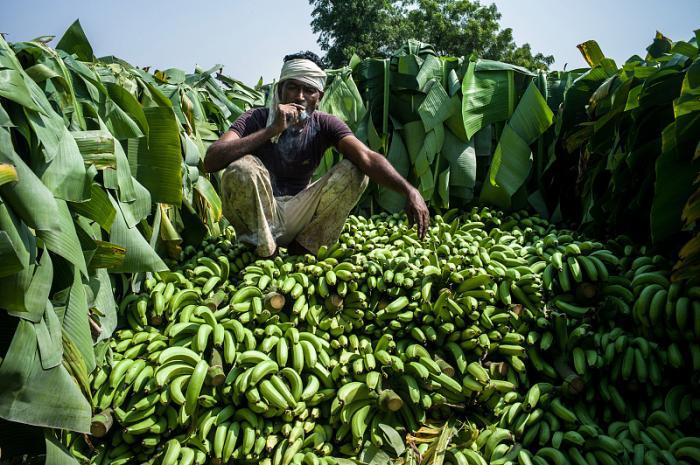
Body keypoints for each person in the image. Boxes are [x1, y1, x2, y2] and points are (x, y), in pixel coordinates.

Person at [203, 51, 429, 257]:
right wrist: (271, 131)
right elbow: (212, 160)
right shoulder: (256, 119)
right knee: (242, 168)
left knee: (354, 170)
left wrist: (409, 190)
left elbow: (367, 157)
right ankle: (265, 251)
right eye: (292, 87)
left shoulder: (324, 124)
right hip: (260, 217)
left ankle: (302, 250)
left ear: (318, 97)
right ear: (280, 90)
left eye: (309, 90)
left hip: (300, 213)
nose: (300, 96)